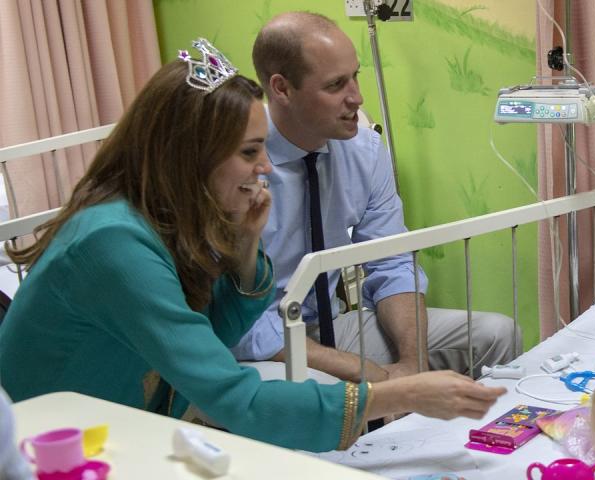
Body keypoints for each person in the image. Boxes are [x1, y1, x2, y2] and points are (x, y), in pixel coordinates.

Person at [0, 39, 505, 452]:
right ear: (189, 156)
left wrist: (243, 253)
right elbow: (231, 396)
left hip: (117, 421)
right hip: (50, 444)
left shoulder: (159, 217)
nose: (265, 168)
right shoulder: (113, 244)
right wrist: (391, 393)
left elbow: (210, 334)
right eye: (249, 151)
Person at [231, 11, 519, 384]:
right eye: (336, 85)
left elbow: (392, 263)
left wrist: (411, 364)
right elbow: (235, 319)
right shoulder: (236, 162)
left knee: (495, 333)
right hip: (255, 343)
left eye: (356, 76)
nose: (357, 97)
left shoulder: (363, 151)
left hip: (329, 326)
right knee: (332, 392)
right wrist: (362, 371)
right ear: (282, 88)